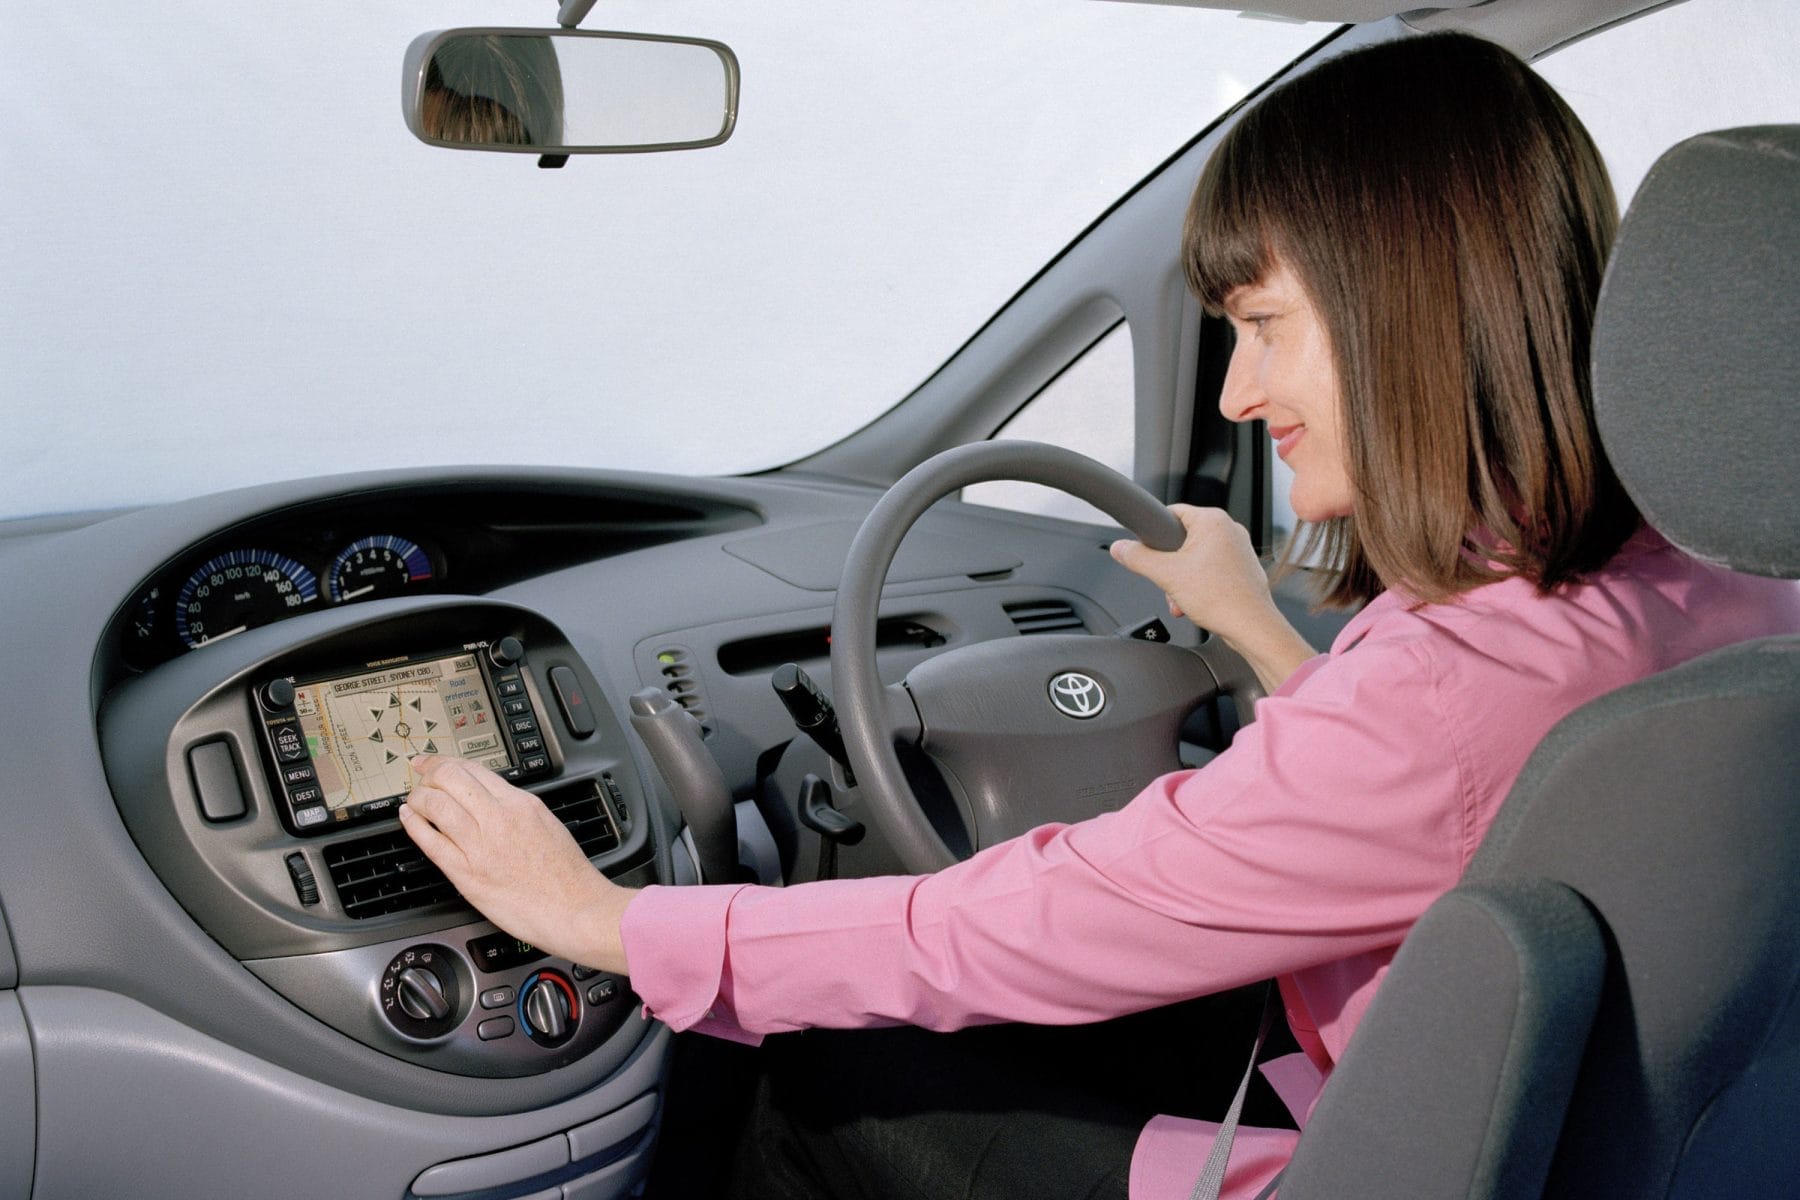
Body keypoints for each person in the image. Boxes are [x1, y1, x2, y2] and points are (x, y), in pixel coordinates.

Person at [398, 31, 1800, 1200]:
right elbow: (1438, 804)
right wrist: (1258, 632)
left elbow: (1013, 925)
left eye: (1263, 322)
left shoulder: (1440, 694)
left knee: (826, 1075)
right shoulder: (1725, 584)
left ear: (1407, 307)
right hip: (1545, 1135)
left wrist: (611, 922)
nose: (1236, 392)